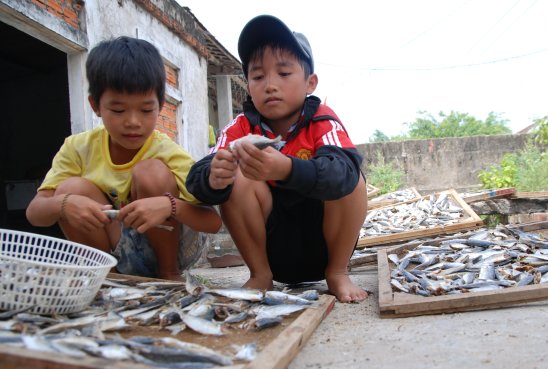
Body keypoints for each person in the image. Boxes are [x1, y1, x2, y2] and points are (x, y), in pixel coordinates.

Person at [186, 15, 368, 303]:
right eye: (258, 76)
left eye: (283, 74)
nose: (270, 84)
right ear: (248, 85)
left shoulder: (323, 121)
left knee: (351, 178)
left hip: (324, 248)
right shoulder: (239, 128)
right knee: (236, 173)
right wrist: (213, 177)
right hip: (273, 253)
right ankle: (260, 276)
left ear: (310, 83)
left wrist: (287, 168)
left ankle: (338, 273)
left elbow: (342, 173)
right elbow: (196, 179)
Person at [26, 36, 222, 281]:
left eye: (146, 110)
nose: (132, 122)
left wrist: (169, 205)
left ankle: (169, 275)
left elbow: (213, 222)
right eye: (118, 110)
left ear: (160, 105)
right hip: (116, 245)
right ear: (95, 105)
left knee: (151, 172)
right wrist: (64, 204)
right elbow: (35, 213)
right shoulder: (78, 148)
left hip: (173, 249)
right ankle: (110, 277)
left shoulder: (167, 152)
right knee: (70, 189)